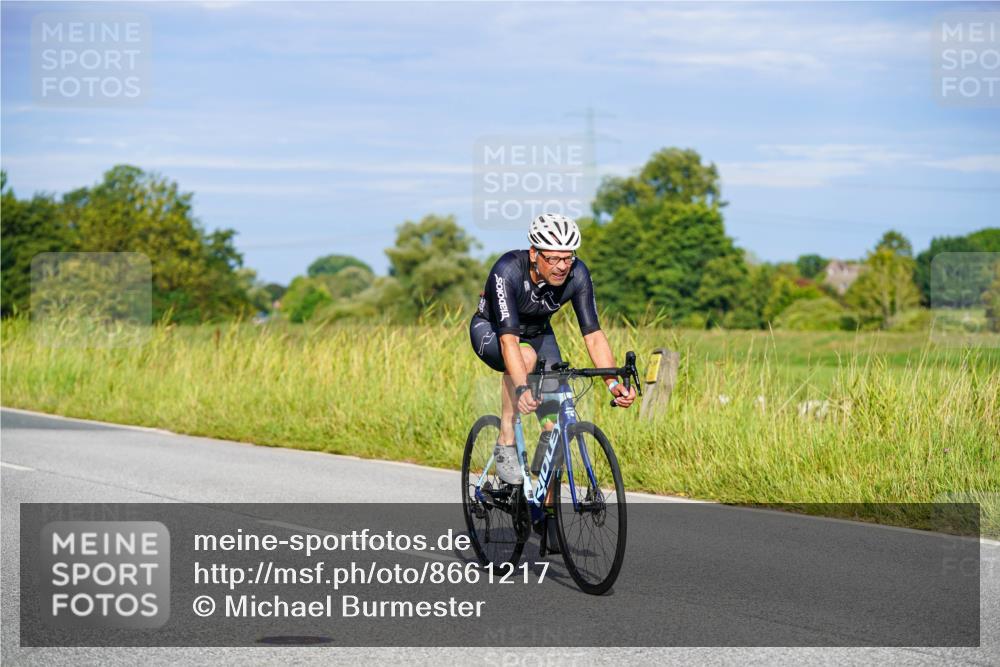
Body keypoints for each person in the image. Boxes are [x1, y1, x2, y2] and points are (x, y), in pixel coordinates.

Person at [469, 213, 636, 485]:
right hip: (493, 331)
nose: (562, 266)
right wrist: (523, 388)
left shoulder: (577, 273)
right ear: (534, 253)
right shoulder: (508, 269)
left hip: (538, 332)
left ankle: (544, 508)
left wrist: (612, 382)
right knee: (525, 356)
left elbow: (593, 335)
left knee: (554, 426)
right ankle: (506, 439)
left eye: (567, 258)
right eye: (553, 258)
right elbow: (508, 341)